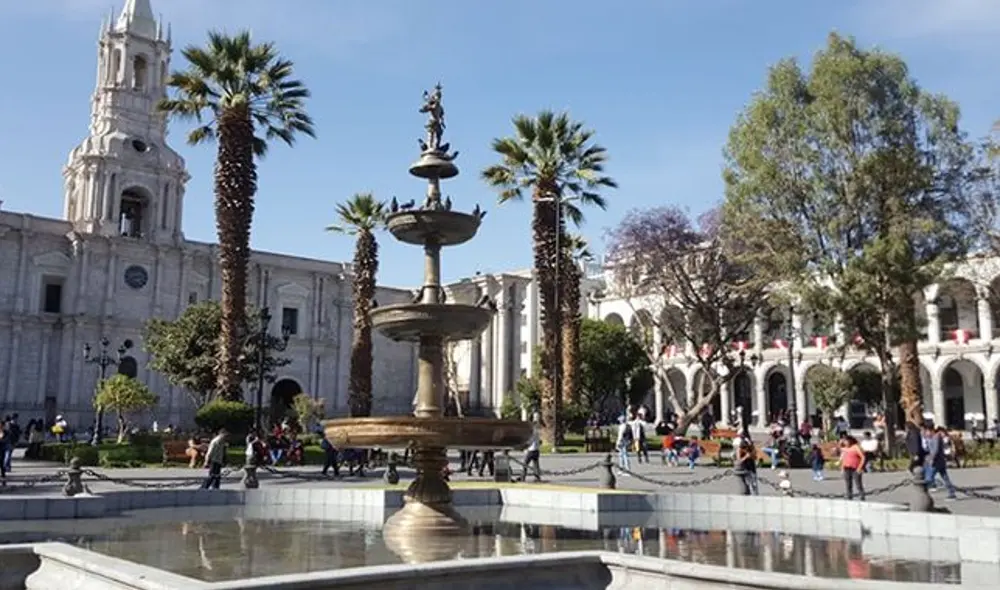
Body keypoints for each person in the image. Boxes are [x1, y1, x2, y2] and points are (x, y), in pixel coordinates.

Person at [925, 426, 957, 500]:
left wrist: (931, 459)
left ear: (931, 431)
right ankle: (951, 493)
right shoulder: (932, 438)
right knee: (945, 477)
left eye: (927, 431)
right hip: (940, 461)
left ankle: (923, 493)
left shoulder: (936, 438)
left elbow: (935, 450)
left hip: (936, 462)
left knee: (928, 477)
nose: (926, 433)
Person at [839, 435, 866, 501]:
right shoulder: (844, 448)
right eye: (844, 441)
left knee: (858, 484)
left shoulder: (856, 447)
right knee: (848, 484)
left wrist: (860, 467)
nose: (845, 442)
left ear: (850, 440)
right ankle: (849, 497)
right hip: (846, 468)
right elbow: (843, 459)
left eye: (846, 441)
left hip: (855, 468)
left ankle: (862, 497)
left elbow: (863, 457)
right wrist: (842, 468)